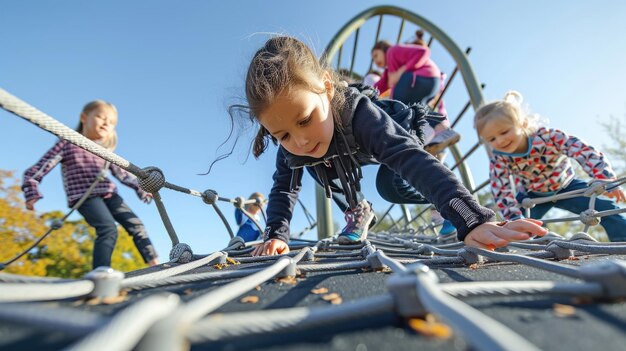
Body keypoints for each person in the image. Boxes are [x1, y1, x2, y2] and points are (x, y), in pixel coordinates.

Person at [226, 36, 547, 256]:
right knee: (305, 162)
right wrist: (276, 236)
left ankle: (439, 180)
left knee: (392, 184)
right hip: (343, 156)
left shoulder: (357, 113)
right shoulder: (295, 145)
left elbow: (407, 157)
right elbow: (283, 189)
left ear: (326, 86)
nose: (300, 139)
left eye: (305, 119)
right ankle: (357, 210)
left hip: (398, 133)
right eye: (281, 135)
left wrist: (472, 218)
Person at [22, 100, 160, 268]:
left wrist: (142, 189)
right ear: (84, 117)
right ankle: (101, 271)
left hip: (110, 194)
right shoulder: (67, 143)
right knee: (108, 229)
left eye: (111, 123)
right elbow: (38, 168)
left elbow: (124, 175)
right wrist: (31, 190)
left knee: (136, 225)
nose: (106, 124)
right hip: (85, 197)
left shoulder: (106, 152)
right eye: (101, 117)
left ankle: (155, 264)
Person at [475, 91, 626, 242]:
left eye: (504, 132)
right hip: (532, 195)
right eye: (491, 138)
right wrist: (514, 218)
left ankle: (621, 243)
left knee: (607, 209)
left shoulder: (548, 137)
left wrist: (605, 178)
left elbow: (583, 151)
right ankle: (518, 250)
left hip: (567, 186)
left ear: (523, 123)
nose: (500, 141)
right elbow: (501, 190)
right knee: (513, 229)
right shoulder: (499, 158)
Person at [371, 38, 459, 155]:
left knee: (398, 106)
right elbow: (378, 86)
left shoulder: (393, 51)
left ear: (383, 49)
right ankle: (442, 131)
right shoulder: (389, 71)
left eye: (376, 55)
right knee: (415, 111)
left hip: (421, 78)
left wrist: (403, 70)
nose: (375, 61)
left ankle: (400, 139)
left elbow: (423, 51)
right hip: (428, 83)